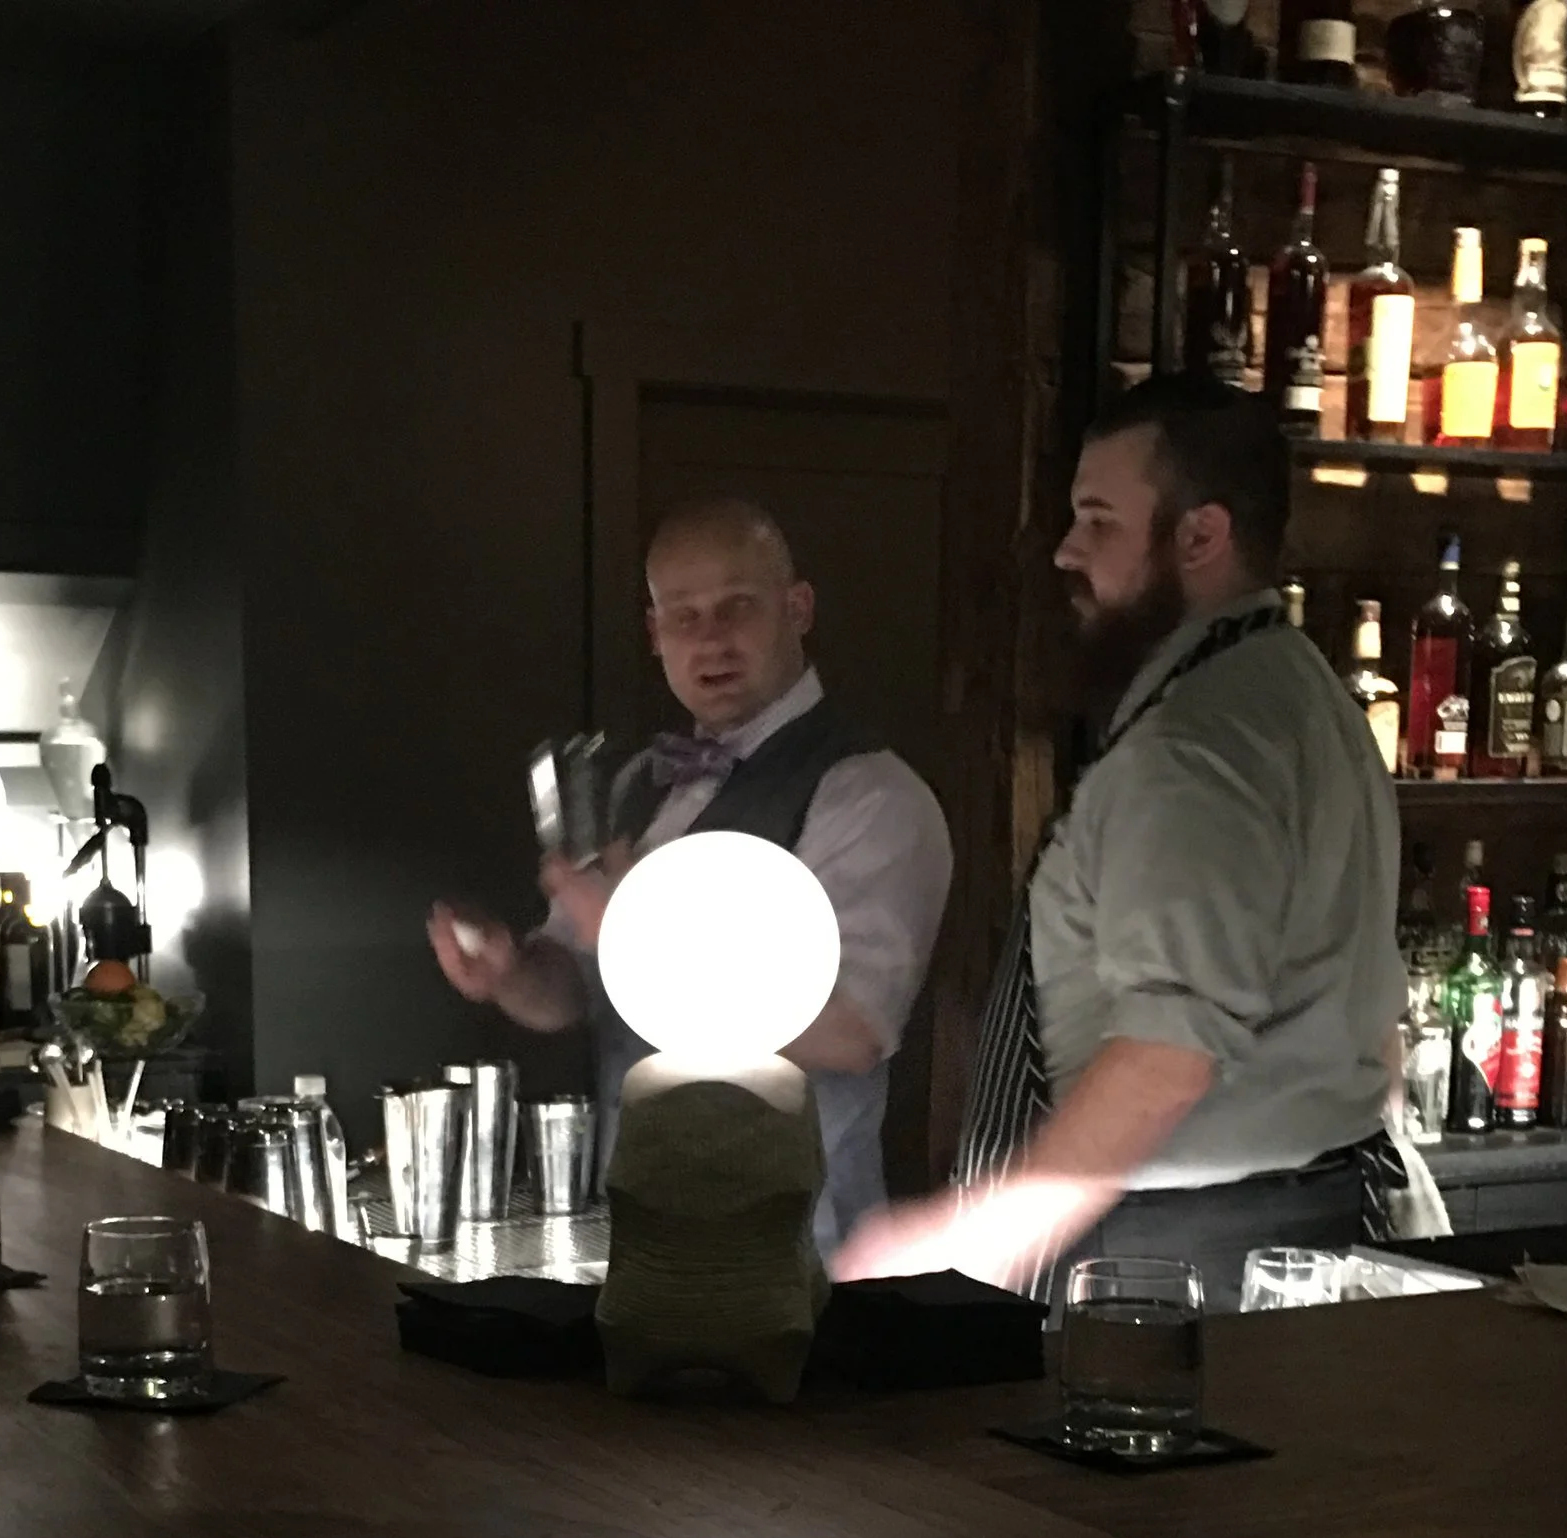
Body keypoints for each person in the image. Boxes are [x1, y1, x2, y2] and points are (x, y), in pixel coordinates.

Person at [835, 375, 1402, 1307]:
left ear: (1200, 536)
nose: (1067, 550)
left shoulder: (1191, 749)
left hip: (1184, 1253)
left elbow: (1164, 1059)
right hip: (1292, 1218)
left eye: (1098, 522)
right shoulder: (1300, 692)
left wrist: (966, 1242)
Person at [426, 499, 952, 1255]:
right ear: (654, 633)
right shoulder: (639, 784)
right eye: (684, 615)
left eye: (738, 607)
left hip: (793, 1247)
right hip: (639, 1232)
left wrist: (631, 934)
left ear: (798, 608)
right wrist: (509, 974)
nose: (711, 639)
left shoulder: (869, 795)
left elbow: (851, 1033)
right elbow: (573, 990)